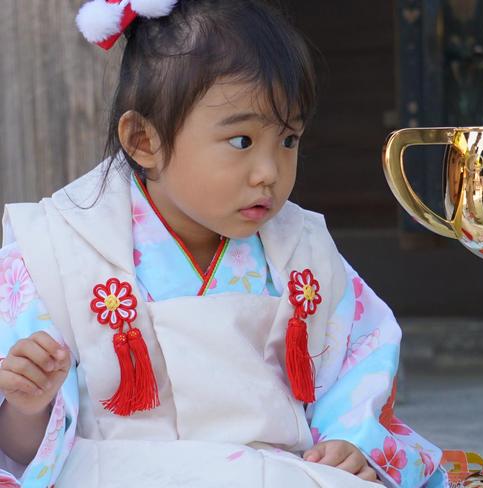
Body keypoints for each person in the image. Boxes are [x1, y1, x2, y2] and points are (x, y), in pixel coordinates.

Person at [0, 1, 446, 487]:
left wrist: (349, 441)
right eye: (241, 142)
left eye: (289, 140)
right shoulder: (55, 251)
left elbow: (361, 359)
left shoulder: (303, 251)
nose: (269, 173)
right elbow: (25, 454)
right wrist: (29, 407)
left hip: (279, 472)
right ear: (144, 139)